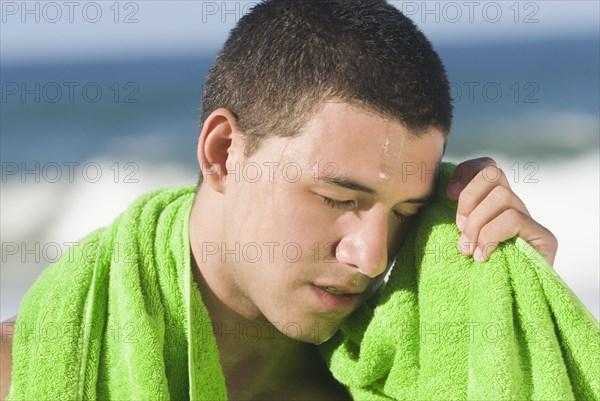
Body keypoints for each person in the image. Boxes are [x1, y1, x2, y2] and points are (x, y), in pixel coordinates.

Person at [0, 0, 558, 399]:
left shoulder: (395, 379)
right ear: (222, 153)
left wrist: (521, 316)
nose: (369, 257)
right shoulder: (17, 375)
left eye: (406, 213)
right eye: (337, 197)